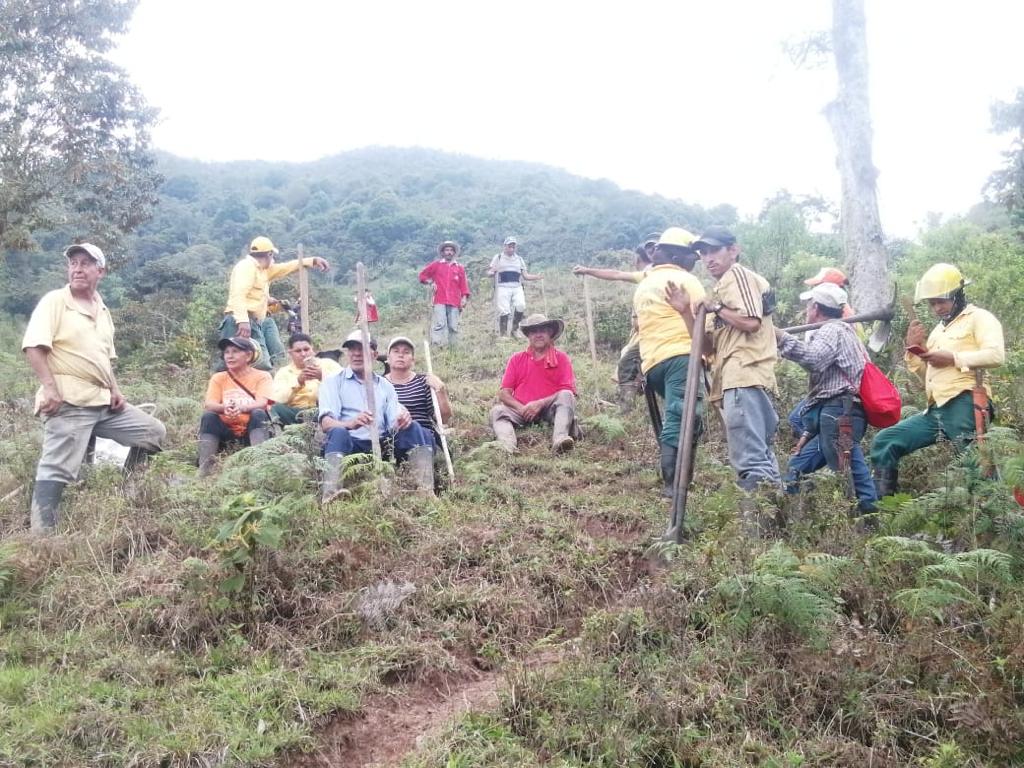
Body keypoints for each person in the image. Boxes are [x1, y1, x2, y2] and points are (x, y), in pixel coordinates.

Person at [22, 243, 167, 534]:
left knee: (153, 432)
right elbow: (33, 347)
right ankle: (43, 540)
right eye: (73, 262)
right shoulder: (55, 301)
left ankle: (128, 494)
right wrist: (49, 388)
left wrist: (115, 390)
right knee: (56, 468)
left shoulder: (102, 310)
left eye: (86, 263)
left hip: (102, 400)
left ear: (100, 271)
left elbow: (104, 357)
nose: (77, 268)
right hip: (69, 400)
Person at [870, 263, 1005, 497]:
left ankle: (997, 522)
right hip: (936, 409)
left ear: (958, 294)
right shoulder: (938, 331)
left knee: (977, 468)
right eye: (932, 303)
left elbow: (996, 355)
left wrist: (953, 358)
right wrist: (912, 349)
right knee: (886, 441)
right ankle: (881, 515)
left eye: (941, 301)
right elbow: (928, 375)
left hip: (965, 403)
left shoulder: (979, 318)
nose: (937, 308)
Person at [681, 226, 782, 503]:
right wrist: (686, 314)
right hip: (738, 378)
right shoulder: (721, 289)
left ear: (733, 250)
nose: (708, 258)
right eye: (704, 253)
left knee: (750, 461)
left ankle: (757, 535)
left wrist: (716, 308)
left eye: (715, 250)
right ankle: (775, 531)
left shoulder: (736, 276)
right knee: (761, 456)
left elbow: (751, 322)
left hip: (743, 375)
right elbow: (706, 347)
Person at [776, 283, 877, 514]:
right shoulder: (845, 331)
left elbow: (814, 358)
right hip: (836, 413)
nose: (806, 310)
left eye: (808, 305)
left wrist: (782, 338)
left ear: (816, 308)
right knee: (796, 467)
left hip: (839, 411)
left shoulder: (832, 330)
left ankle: (867, 519)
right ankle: (796, 516)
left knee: (849, 469)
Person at [318, 330, 436, 501]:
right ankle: (330, 497)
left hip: (381, 444)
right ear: (347, 353)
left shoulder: (385, 386)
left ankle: (426, 491)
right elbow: (326, 423)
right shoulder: (333, 382)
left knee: (414, 427)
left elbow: (393, 420)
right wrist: (351, 423)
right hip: (350, 445)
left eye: (362, 349)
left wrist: (402, 420)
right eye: (352, 349)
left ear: (374, 354)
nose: (357, 354)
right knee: (338, 432)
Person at [634, 227, 706, 497]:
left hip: (652, 362)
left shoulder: (645, 283)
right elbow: (703, 322)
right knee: (683, 417)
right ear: (678, 255)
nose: (694, 263)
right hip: (681, 356)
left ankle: (679, 481)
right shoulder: (686, 281)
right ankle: (674, 487)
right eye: (692, 257)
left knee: (679, 414)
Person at [572, 234, 658, 410]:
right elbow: (617, 274)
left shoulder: (657, 273)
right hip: (651, 331)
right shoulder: (649, 274)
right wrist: (588, 270)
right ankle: (634, 400)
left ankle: (628, 407)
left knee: (629, 361)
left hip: (658, 332)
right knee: (630, 358)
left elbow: (618, 275)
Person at [219, 235, 329, 370]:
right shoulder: (246, 267)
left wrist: (312, 261)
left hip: (254, 322)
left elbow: (286, 267)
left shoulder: (264, 271)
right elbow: (238, 294)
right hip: (237, 321)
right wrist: (242, 320)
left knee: (260, 363)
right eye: (272, 256)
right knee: (231, 363)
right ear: (269, 254)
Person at [490, 314, 578, 454]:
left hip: (549, 411)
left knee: (566, 395)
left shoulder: (561, 358)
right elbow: (504, 393)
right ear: (528, 335)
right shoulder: (516, 359)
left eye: (542, 330)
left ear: (550, 333)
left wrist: (540, 403)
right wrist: (522, 408)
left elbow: (568, 390)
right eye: (533, 331)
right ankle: (507, 446)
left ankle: (560, 439)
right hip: (522, 411)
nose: (538, 335)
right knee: (497, 411)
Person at [198, 337, 274, 475]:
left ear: (249, 355)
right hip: (227, 433)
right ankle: (204, 469)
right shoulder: (219, 378)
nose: (230, 356)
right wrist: (224, 408)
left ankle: (261, 465)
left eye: (235, 351)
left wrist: (242, 408)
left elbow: (263, 403)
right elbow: (209, 404)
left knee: (259, 413)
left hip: (251, 430)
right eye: (226, 352)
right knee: (209, 416)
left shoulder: (263, 376)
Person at [384, 336, 452, 444]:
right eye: (396, 351)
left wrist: (440, 390)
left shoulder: (424, 381)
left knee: (413, 427)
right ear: (388, 358)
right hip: (391, 438)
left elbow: (443, 418)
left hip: (422, 438)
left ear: (413, 360)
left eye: (406, 352)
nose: (401, 355)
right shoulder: (379, 384)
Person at [269, 333, 343, 427]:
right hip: (296, 413)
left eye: (306, 349)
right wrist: (298, 382)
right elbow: (277, 398)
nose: (303, 354)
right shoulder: (283, 372)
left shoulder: (328, 364)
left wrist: (322, 376)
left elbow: (345, 385)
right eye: (298, 351)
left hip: (323, 410)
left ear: (313, 350)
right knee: (272, 407)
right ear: (290, 353)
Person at [488, 236, 542, 337]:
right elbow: (490, 272)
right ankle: (503, 334)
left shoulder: (519, 259)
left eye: (513, 246)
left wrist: (537, 277)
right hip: (502, 287)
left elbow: (525, 276)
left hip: (517, 287)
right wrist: (492, 272)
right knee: (504, 310)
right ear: (505, 246)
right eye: (509, 246)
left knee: (521, 305)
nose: (511, 248)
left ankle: (515, 330)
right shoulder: (498, 257)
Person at [420, 241, 471, 348]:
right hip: (439, 299)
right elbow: (422, 275)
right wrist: (430, 282)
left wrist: (464, 297)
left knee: (453, 326)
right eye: (447, 250)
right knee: (439, 324)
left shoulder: (459, 267)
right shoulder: (437, 265)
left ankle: (454, 348)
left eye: (451, 250)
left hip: (455, 301)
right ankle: (436, 346)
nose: (449, 252)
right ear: (443, 252)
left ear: (454, 253)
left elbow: (463, 284)